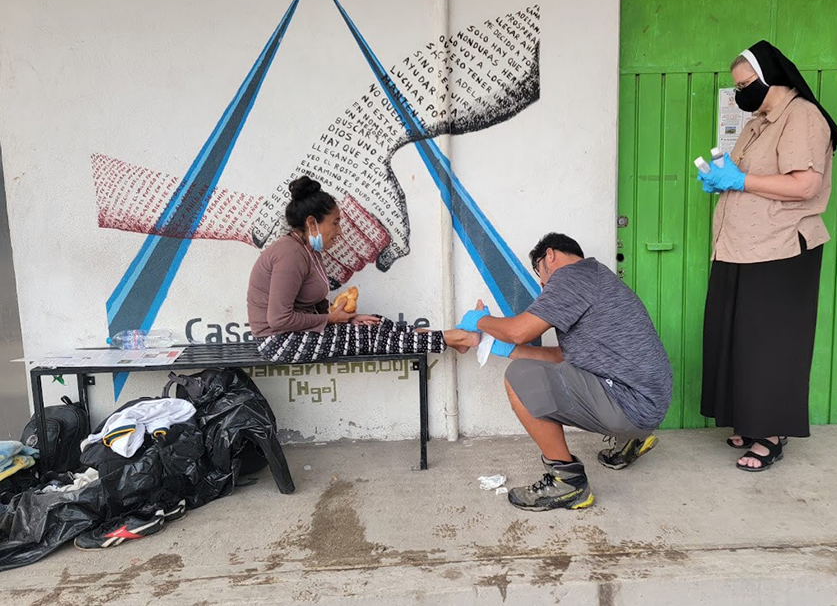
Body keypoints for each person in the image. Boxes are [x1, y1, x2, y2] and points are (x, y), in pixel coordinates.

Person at [697, 40, 837, 472]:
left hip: (780, 249)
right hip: (741, 246)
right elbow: (749, 174)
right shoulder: (759, 121)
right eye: (738, 86)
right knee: (738, 339)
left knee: (771, 346)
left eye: (746, 84)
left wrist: (740, 181)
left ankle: (772, 434)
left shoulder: (803, 117)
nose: (741, 93)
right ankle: (749, 420)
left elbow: (804, 185)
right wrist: (723, 179)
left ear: (771, 77)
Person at [457, 233, 672, 512]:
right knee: (526, 365)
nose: (543, 284)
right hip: (649, 404)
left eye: (539, 273)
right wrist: (505, 349)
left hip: (630, 405)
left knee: (519, 377)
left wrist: (479, 320)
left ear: (550, 256)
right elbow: (563, 358)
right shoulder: (598, 278)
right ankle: (632, 438)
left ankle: (568, 483)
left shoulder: (571, 276)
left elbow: (519, 331)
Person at [247, 176, 480, 362]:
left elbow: (311, 306)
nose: (339, 232)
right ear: (311, 223)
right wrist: (331, 319)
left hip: (300, 334)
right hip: (279, 342)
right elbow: (278, 320)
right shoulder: (289, 254)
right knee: (369, 337)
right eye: (335, 223)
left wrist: (347, 318)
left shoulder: (309, 250)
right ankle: (454, 337)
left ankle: (452, 340)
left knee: (374, 323)